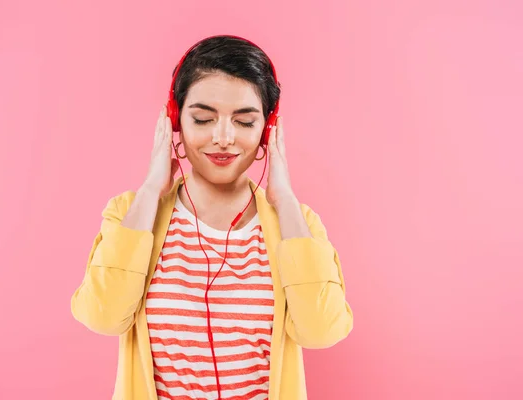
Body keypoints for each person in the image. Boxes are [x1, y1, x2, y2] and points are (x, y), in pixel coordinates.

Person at [71, 35, 353, 400]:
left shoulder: (297, 224)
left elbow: (321, 331)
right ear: (175, 119)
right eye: (203, 118)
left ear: (268, 128)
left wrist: (284, 200)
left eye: (245, 122)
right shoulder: (131, 215)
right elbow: (103, 316)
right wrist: (151, 189)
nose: (223, 138)